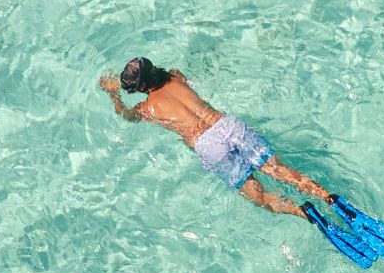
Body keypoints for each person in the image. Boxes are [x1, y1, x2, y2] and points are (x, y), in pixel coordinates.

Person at [97, 58, 340, 218]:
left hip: (208, 144)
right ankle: (327, 197)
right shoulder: (175, 76)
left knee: (258, 197)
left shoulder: (147, 108)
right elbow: (176, 80)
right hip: (228, 125)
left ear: (139, 89)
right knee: (280, 171)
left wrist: (114, 95)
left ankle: (302, 212)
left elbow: (125, 115)